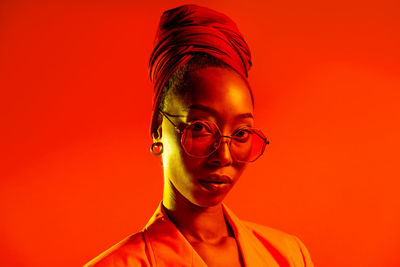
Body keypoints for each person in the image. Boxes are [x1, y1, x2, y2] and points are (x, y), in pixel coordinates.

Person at [84, 4, 314, 267]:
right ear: (158, 131)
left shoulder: (289, 256)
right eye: (200, 127)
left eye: (240, 133)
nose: (223, 156)